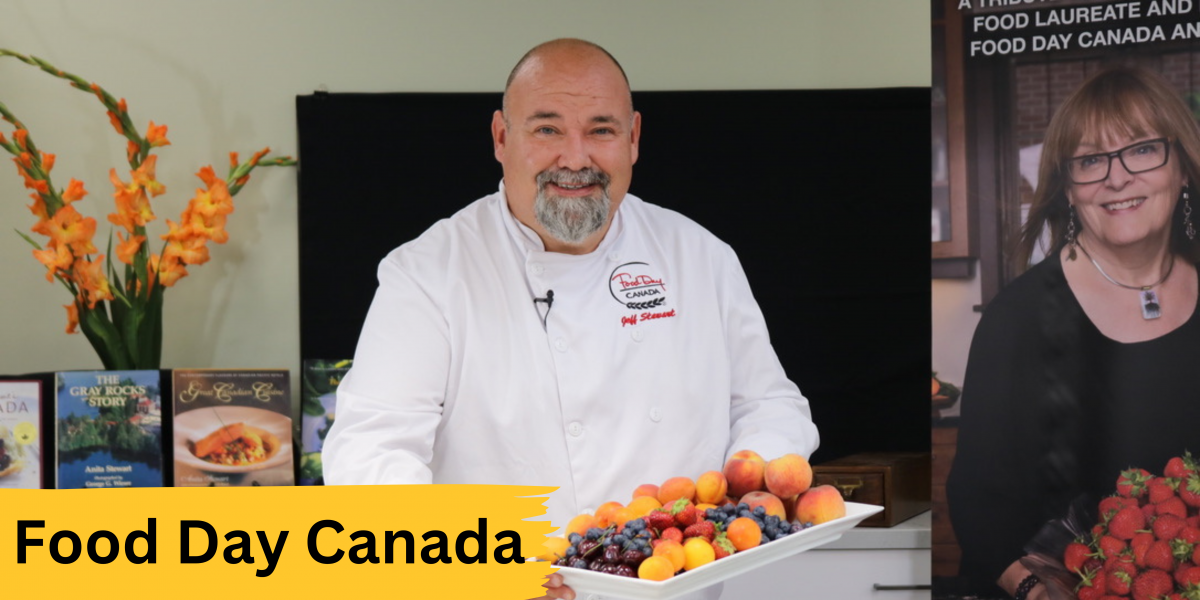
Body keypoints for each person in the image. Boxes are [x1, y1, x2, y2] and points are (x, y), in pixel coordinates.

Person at [321, 38, 819, 600]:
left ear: (633, 139)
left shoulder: (699, 258)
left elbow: (767, 404)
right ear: (501, 138)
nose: (576, 158)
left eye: (601, 130)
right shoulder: (429, 274)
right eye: (547, 129)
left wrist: (754, 485)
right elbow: (371, 452)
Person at [947, 65, 1200, 600]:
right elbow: (981, 509)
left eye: (1142, 149)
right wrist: (1038, 590)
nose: (1117, 176)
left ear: (1181, 167)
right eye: (1090, 160)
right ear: (1067, 188)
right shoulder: (1016, 322)